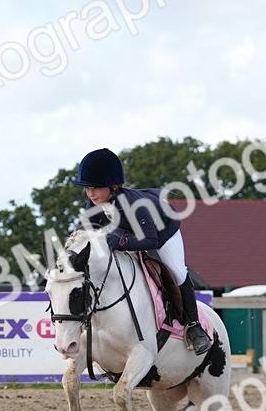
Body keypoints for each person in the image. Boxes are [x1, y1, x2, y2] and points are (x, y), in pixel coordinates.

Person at [71, 147, 213, 355]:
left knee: (177, 270)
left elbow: (151, 241)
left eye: (95, 188)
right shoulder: (93, 204)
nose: (90, 193)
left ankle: (194, 326)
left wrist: (120, 244)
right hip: (127, 231)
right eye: (87, 188)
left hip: (162, 231)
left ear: (113, 186)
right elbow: (87, 235)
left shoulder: (136, 206)